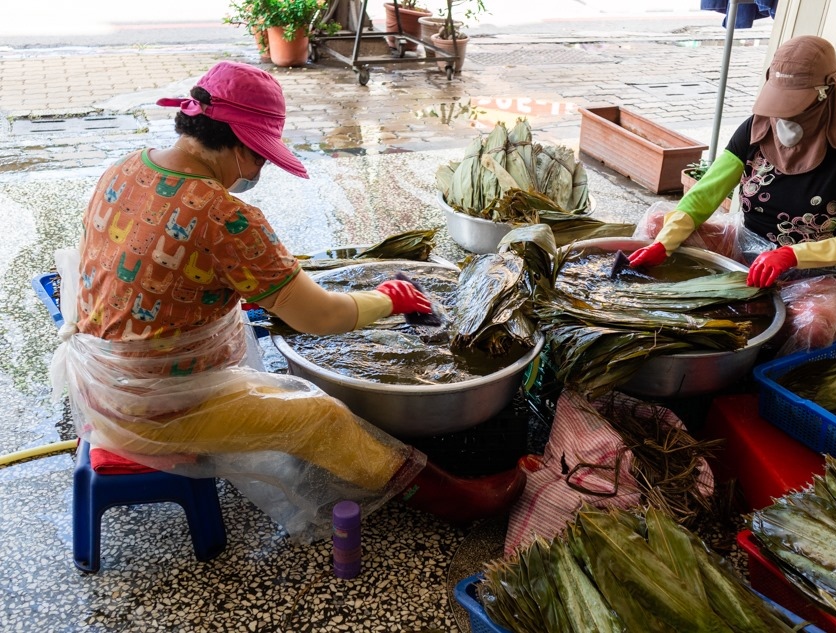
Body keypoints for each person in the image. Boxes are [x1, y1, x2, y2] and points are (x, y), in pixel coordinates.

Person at [51, 60, 525, 539]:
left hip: (100, 381)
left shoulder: (127, 167)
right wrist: (388, 298)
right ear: (237, 144)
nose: (259, 168)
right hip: (156, 410)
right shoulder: (226, 215)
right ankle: (457, 500)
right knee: (320, 417)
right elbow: (319, 317)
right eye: (259, 155)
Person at [625, 35, 836, 353]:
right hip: (749, 254)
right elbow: (702, 198)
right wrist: (663, 243)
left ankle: (766, 377)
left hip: (821, 273)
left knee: (813, 324)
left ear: (826, 92)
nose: (783, 119)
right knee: (658, 225)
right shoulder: (757, 129)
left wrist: (792, 255)